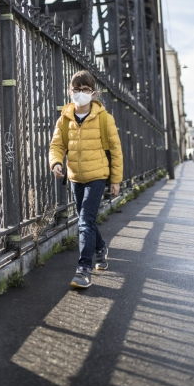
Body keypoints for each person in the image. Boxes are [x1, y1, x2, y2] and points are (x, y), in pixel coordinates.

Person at [49, 70, 123, 289]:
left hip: (97, 176)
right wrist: (55, 163)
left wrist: (115, 179)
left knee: (84, 220)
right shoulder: (65, 118)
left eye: (85, 89)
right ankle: (100, 248)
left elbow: (116, 150)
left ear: (93, 93)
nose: (81, 93)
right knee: (86, 219)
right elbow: (56, 145)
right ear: (70, 91)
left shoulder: (104, 118)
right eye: (77, 89)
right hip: (75, 177)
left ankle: (83, 269)